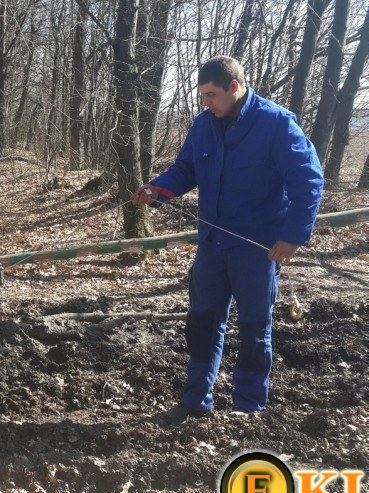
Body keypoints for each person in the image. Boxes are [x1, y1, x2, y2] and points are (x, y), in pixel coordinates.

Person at [132, 56, 323, 425]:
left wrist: (293, 236)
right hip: (212, 245)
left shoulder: (276, 123)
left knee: (253, 328)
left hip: (258, 249)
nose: (207, 103)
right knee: (201, 323)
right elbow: (186, 168)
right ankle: (195, 400)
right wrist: (158, 189)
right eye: (203, 96)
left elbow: (308, 181)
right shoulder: (204, 124)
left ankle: (247, 407)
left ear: (235, 87)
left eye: (212, 95)